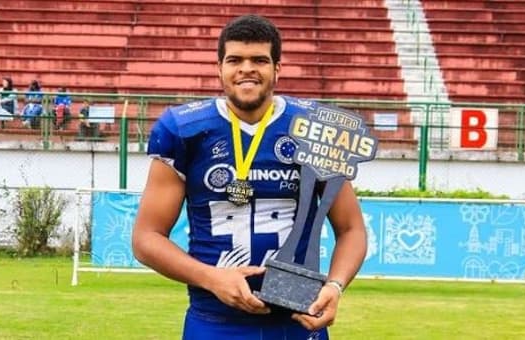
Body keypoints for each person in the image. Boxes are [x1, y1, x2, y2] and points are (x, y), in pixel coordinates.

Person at [132, 14, 367, 340]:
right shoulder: (184, 129)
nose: (247, 69)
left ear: (277, 69)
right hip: (214, 320)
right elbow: (146, 238)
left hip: (298, 318)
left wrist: (336, 285)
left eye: (259, 59)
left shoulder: (314, 129)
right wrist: (212, 278)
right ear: (219, 68)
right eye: (235, 60)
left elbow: (351, 228)